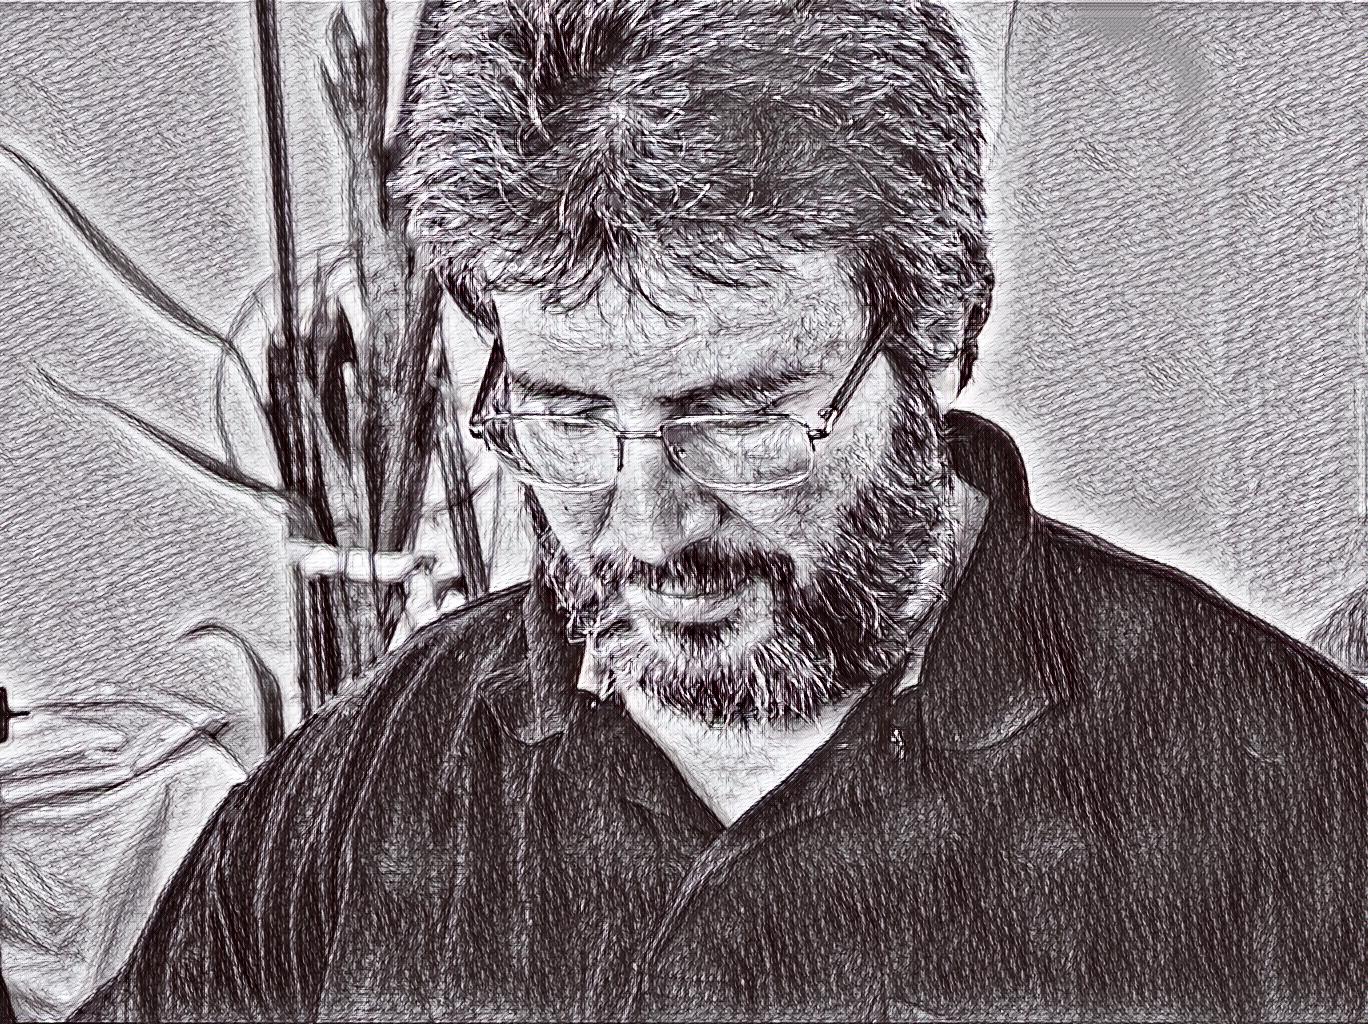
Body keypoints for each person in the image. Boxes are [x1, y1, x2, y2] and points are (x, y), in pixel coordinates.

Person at [74, 1, 1368, 1020]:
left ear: (939, 335)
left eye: (741, 417)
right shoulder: (368, 785)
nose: (648, 530)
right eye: (567, 416)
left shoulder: (1290, 794)